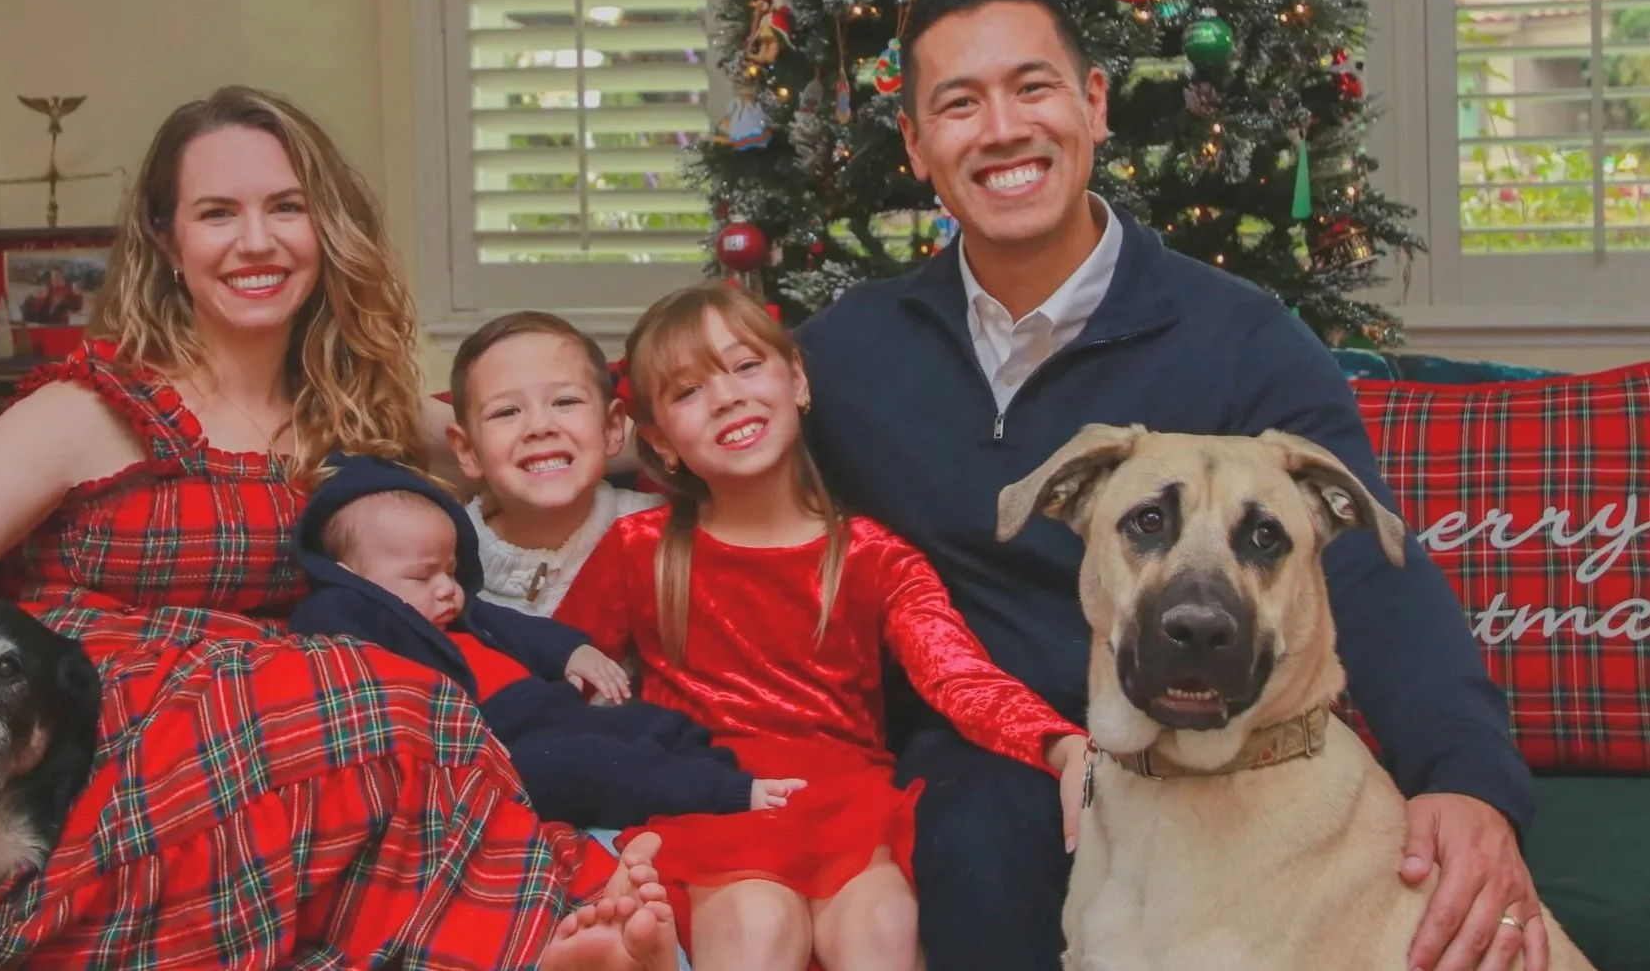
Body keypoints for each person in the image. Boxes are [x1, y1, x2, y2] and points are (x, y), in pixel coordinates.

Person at [0, 85, 679, 971]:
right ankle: (528, 941)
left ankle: (529, 936)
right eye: (218, 212)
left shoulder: (356, 406)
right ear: (167, 236)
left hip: (291, 740)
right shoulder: (89, 408)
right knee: (379, 698)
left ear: (325, 226)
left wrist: (705, 421)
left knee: (410, 705)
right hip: (112, 731)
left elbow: (535, 432)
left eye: (286, 207)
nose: (256, 241)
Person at [792, 0, 1547, 971]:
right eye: (959, 104)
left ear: (1094, 104)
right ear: (915, 144)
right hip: (994, 763)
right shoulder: (847, 354)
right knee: (972, 825)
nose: (1004, 129)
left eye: (1032, 87)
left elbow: (1363, 568)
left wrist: (1465, 776)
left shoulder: (1240, 338)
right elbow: (690, 451)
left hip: (1204, 751)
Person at [557, 281, 1089, 971]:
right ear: (660, 441)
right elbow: (554, 681)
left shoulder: (872, 554)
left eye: (746, 366)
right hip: (712, 803)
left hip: (850, 811)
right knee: (759, 923)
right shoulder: (640, 550)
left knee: (881, 928)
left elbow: (956, 672)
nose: (726, 397)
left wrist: (1059, 744)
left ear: (798, 380)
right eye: (688, 391)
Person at [289, 453, 806, 831]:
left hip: (551, 709)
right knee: (585, 766)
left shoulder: (459, 613)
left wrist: (572, 652)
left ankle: (710, 770)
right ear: (350, 578)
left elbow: (521, 628)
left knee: (651, 723)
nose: (447, 587)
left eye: (450, 568)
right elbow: (339, 662)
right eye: (423, 576)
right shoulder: (344, 614)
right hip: (499, 748)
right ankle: (724, 794)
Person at [445, 311, 662, 616]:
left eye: (565, 402)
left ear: (612, 427)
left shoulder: (666, 532)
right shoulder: (439, 558)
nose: (540, 426)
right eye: (507, 412)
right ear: (467, 450)